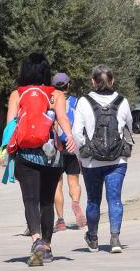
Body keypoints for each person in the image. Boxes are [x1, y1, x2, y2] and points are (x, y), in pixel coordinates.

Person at [6, 53, 77, 267]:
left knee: (30, 199)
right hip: (51, 156)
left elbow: (10, 125)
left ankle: (36, 239)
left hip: (26, 155)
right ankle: (46, 245)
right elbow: (63, 118)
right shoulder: (56, 94)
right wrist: (70, 138)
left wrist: (8, 150)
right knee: (47, 201)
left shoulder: (16, 95)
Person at [72, 65, 133, 254]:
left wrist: (82, 153)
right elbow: (129, 127)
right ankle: (115, 238)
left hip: (92, 161)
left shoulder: (83, 102)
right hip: (117, 161)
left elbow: (76, 133)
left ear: (93, 81)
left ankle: (93, 237)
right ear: (112, 81)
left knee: (93, 201)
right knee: (115, 199)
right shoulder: (122, 101)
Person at [52, 72, 85, 232]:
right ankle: (76, 203)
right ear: (68, 85)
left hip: (56, 147)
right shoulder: (76, 102)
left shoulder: (50, 102)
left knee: (57, 184)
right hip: (72, 145)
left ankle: (60, 220)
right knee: (74, 181)